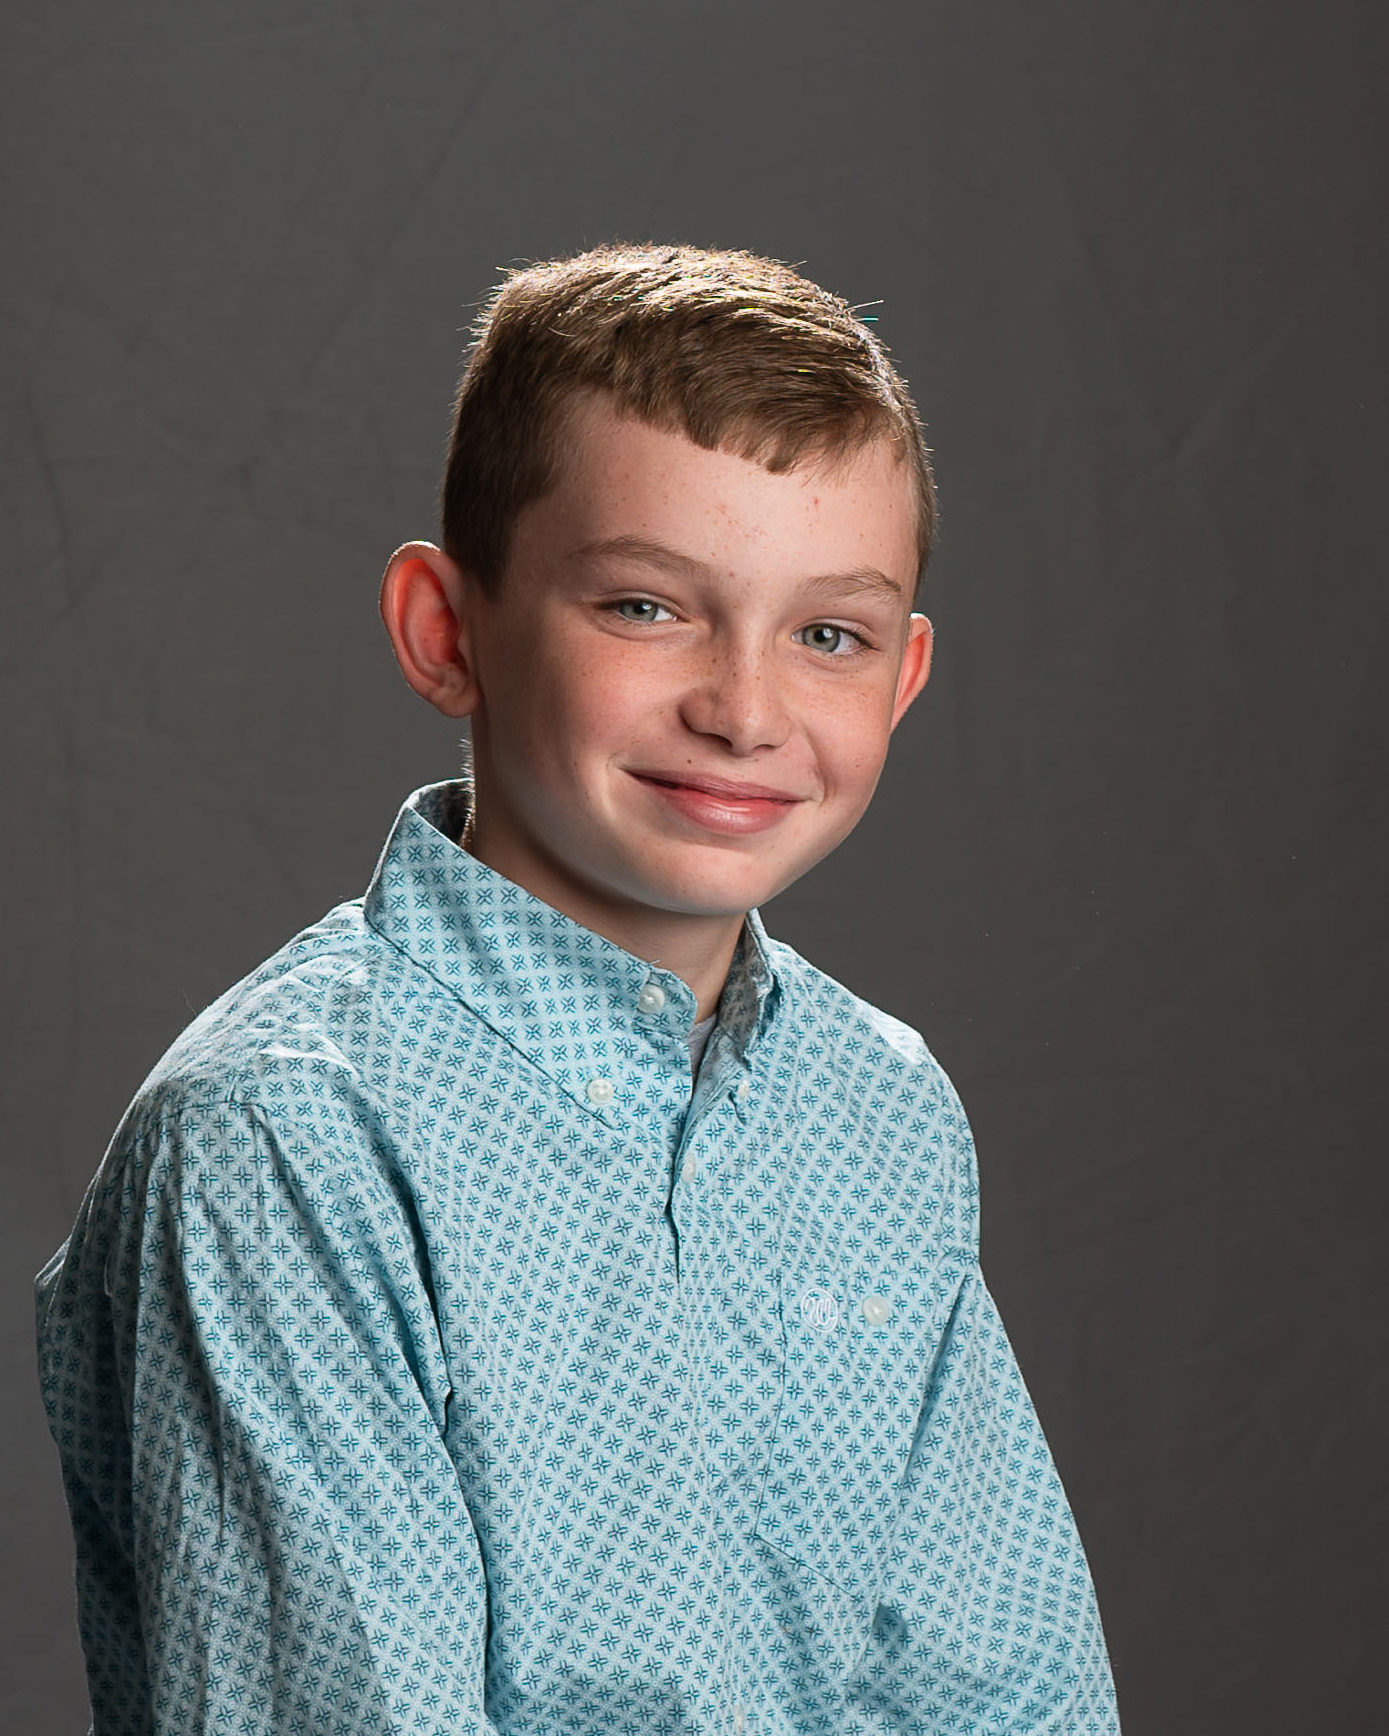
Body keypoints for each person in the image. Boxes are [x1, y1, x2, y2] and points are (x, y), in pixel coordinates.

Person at [37, 243, 1120, 1735]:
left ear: (904, 677)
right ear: (446, 632)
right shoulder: (285, 1138)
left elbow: (1008, 1698)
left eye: (828, 635)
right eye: (644, 608)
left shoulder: (881, 1111)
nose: (744, 709)